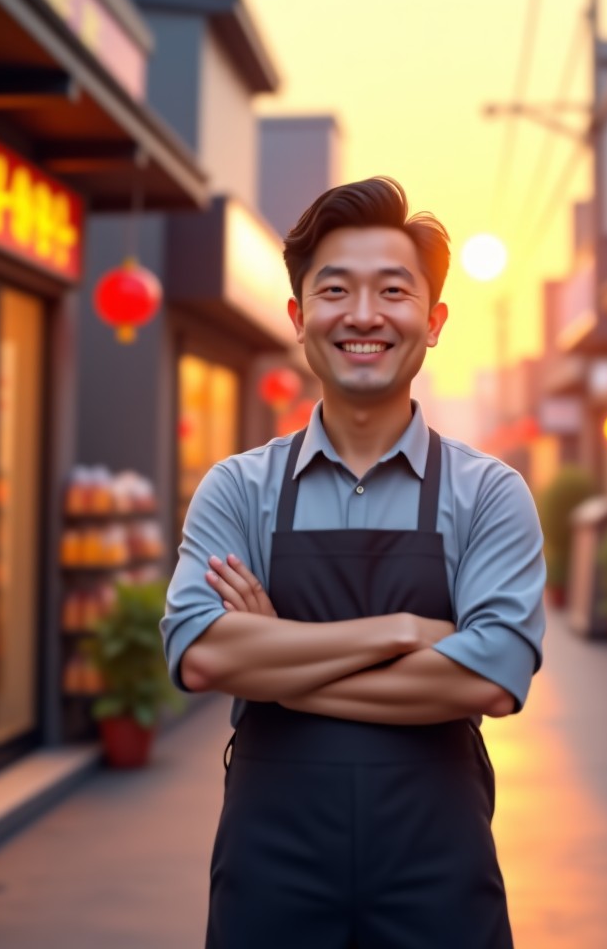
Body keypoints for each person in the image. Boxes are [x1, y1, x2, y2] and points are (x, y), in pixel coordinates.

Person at [163, 176, 546, 949]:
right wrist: (403, 631)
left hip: (438, 868)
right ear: (300, 319)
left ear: (433, 322)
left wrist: (279, 658)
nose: (364, 315)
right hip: (272, 872)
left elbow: (492, 677)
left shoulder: (490, 494)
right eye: (335, 290)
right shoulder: (239, 487)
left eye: (393, 291)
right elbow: (203, 656)